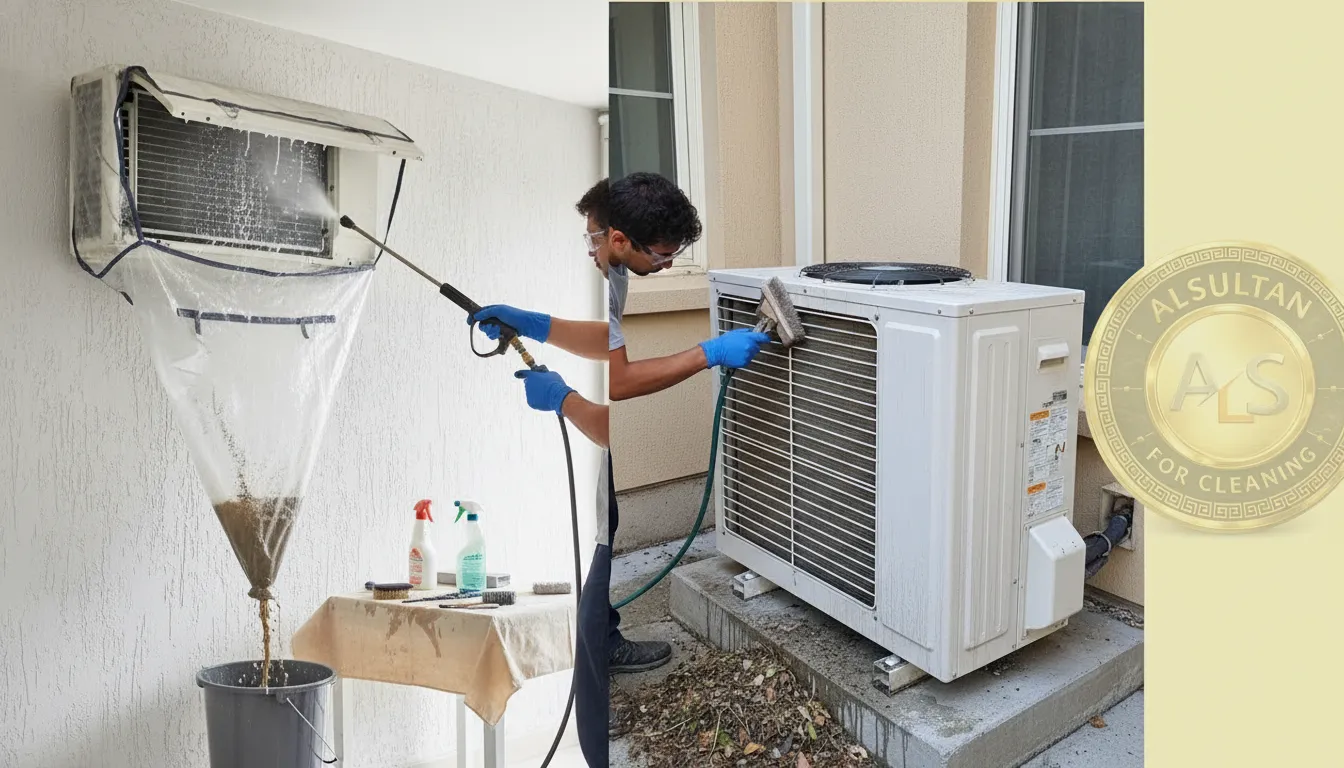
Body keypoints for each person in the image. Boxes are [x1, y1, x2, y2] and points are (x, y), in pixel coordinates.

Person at [474, 173, 769, 759]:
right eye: (661, 255)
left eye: (674, 254)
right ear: (618, 238)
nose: (666, 264)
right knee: (593, 584)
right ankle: (596, 723)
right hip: (602, 454)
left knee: (604, 552)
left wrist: (542, 336)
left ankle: (605, 646)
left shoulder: (618, 272)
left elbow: (611, 355)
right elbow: (623, 379)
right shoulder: (611, 272)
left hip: (605, 461)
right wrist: (565, 392)